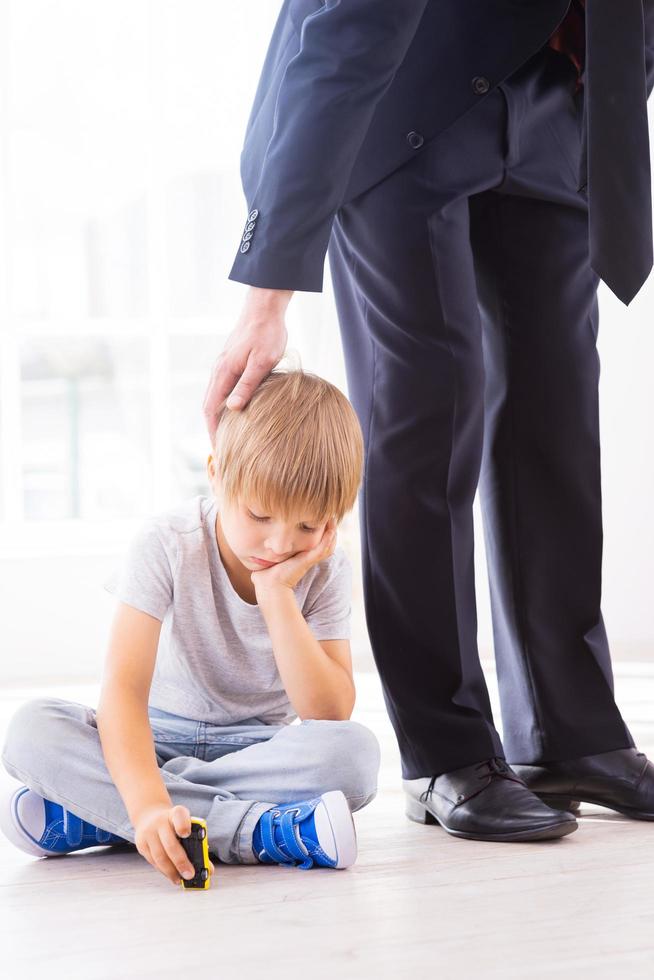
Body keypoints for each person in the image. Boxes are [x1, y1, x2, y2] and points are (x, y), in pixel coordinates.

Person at [202, 0, 654, 842]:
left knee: (557, 416)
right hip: (394, 108)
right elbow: (346, 30)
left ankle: (570, 732)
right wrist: (268, 293)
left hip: (558, 104)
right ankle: (446, 750)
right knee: (430, 410)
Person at [0, 365, 381, 885]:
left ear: (332, 520)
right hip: (153, 736)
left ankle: (105, 817)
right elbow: (123, 694)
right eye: (260, 515)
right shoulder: (167, 542)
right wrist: (148, 799)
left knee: (355, 756)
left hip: (257, 751)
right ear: (217, 474)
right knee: (31, 730)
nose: (278, 544)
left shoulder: (325, 567)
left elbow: (329, 711)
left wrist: (277, 596)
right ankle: (250, 829)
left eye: (307, 526)